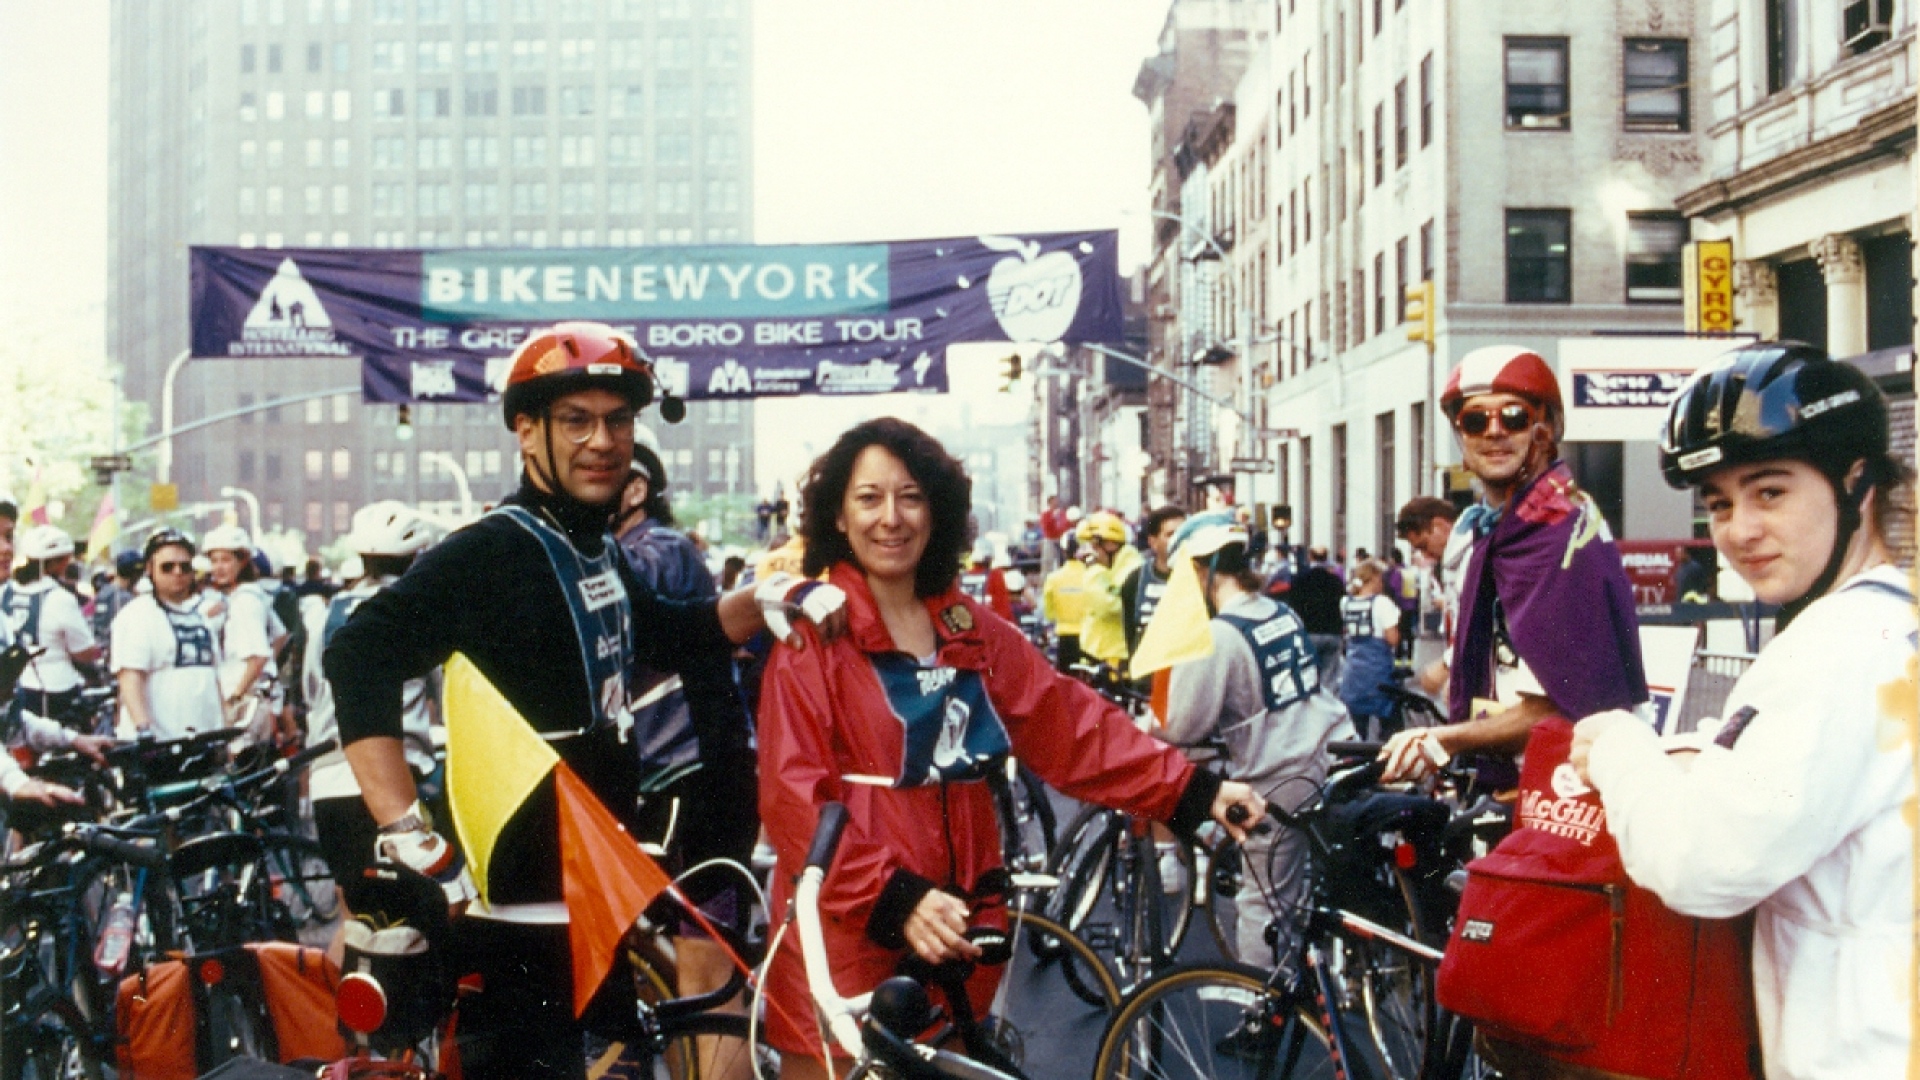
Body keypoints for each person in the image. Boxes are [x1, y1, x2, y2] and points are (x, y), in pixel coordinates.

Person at [325, 322, 844, 1080]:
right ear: (525, 432)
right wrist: (404, 824)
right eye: (576, 421)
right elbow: (356, 652)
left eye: (618, 420)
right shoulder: (494, 550)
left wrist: (767, 596)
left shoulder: (591, 546)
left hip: (591, 904)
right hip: (517, 928)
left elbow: (667, 636)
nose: (602, 441)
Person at [754, 418, 1267, 1078]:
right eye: (869, 498)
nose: (892, 518)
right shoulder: (812, 640)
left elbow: (1066, 722)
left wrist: (1193, 791)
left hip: (963, 911)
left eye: (910, 495)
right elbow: (794, 798)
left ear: (937, 510)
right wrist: (896, 899)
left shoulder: (966, 626)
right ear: (839, 516)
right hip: (847, 928)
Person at [1570, 343, 1915, 1079]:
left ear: (1856, 484)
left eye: (1769, 492)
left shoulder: (1839, 647)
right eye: (1720, 503)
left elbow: (1705, 861)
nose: (1738, 530)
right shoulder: (1897, 624)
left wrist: (1620, 747)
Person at [1379, 347, 1645, 785]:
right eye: (1475, 421)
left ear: (1547, 429)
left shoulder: (1560, 535)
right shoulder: (1500, 530)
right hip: (1513, 776)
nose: (1495, 432)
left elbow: (1557, 706)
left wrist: (1442, 740)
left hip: (1559, 789)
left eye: (1515, 417)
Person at [614, 423, 757, 1027]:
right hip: (662, 777)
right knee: (667, 969)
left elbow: (624, 609)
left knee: (704, 965)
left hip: (699, 778)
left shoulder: (659, 550)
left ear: (637, 487)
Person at [1158, 512, 1346, 968]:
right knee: (1295, 890)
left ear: (1201, 570)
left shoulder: (1217, 635)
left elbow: (1182, 726)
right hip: (1327, 752)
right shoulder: (1279, 611)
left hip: (1278, 775)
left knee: (1261, 903)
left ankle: (1262, 1014)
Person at [302, 502, 442, 963]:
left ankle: (328, 1028)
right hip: (396, 779)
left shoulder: (324, 615)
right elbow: (445, 697)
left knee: (354, 920)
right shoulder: (418, 608)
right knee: (424, 914)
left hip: (330, 783)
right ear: (418, 556)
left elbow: (311, 689)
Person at [112, 530, 226, 740]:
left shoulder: (202, 614)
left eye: (185, 566)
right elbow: (130, 677)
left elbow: (215, 676)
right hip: (160, 744)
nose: (177, 572)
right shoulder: (137, 615)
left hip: (205, 739)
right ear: (150, 569)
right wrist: (143, 729)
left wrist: (224, 731)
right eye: (167, 567)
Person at [3, 526, 102, 728]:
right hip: (56, 690)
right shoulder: (59, 597)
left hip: (15, 686)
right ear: (61, 561)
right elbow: (83, 652)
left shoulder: (6, 592)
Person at [200, 525, 290, 744]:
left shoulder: (245, 602)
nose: (218, 567)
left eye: (226, 560)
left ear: (242, 562)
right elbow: (280, 636)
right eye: (214, 560)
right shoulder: (250, 596)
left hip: (244, 704)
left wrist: (236, 696)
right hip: (258, 697)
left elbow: (258, 657)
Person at [1394, 496, 1461, 694]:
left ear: (1440, 526)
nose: (1425, 556)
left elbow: (1478, 622)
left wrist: (1447, 665)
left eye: (1423, 546)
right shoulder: (1450, 564)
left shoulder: (1473, 557)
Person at [1336, 559, 1403, 739]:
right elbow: (1392, 639)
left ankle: (1357, 759)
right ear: (1373, 579)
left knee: (1357, 725)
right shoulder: (1382, 603)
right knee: (1390, 721)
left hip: (1353, 673)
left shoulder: (1345, 602)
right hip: (1377, 671)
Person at [1119, 505, 1188, 659]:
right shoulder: (1135, 581)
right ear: (1153, 542)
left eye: (1184, 533)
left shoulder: (1202, 579)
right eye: (1170, 534)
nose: (1179, 539)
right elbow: (1130, 634)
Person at [1076, 511, 1140, 673]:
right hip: (1099, 655)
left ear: (1111, 544)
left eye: (1094, 545)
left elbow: (1108, 607)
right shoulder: (1110, 567)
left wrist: (1093, 570)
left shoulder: (1131, 570)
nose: (1090, 551)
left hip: (1116, 658)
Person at [1286, 550, 1346, 687]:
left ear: (1309, 557)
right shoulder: (1335, 580)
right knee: (1329, 676)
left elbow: (1293, 606)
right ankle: (1328, 703)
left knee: (1308, 675)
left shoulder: (1300, 579)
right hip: (1332, 633)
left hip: (1309, 632)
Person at [1039, 535, 1089, 672]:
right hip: (1087, 636)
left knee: (1066, 679)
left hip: (1063, 636)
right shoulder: (1091, 575)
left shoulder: (1054, 578)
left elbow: (1048, 610)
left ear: (1064, 552)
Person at [92, 550, 143, 656]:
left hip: (102, 649)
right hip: (119, 651)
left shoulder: (104, 592)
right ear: (135, 574)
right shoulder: (125, 598)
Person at [957, 539, 1018, 623]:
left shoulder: (961, 577)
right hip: (989, 626)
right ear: (990, 558)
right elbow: (1003, 609)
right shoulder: (995, 575)